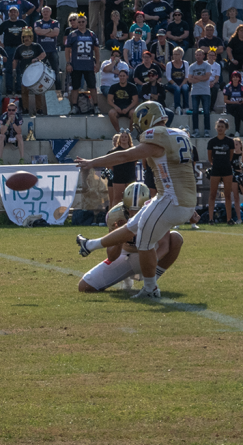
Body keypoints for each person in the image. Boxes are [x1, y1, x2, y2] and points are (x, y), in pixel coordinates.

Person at [75, 101, 197, 298]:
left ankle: (150, 289)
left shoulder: (157, 136)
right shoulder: (179, 134)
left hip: (171, 199)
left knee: (144, 243)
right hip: (180, 199)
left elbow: (125, 156)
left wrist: (92, 162)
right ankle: (90, 245)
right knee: (132, 226)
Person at [78, 184, 183, 292]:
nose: (133, 214)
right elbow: (111, 256)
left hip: (151, 253)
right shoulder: (115, 215)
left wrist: (150, 263)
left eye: (139, 210)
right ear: (124, 206)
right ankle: (126, 277)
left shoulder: (157, 211)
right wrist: (119, 238)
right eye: (130, 209)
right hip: (126, 256)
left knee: (176, 238)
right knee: (84, 286)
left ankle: (152, 282)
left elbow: (164, 246)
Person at [65, 14, 101, 114]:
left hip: (88, 65)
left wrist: (97, 63)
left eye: (83, 22)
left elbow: (97, 50)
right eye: (79, 22)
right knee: (75, 87)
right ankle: (74, 106)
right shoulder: (72, 35)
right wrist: (68, 63)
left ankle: (96, 106)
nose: (81, 23)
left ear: (86, 22)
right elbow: (67, 50)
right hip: (76, 65)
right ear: (76, 23)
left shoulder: (92, 34)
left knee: (92, 86)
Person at [208, 118, 238, 224]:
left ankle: (229, 219)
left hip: (227, 170)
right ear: (216, 128)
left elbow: (230, 156)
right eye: (219, 127)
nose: (220, 128)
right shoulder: (212, 142)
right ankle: (211, 219)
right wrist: (216, 164)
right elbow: (210, 158)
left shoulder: (229, 141)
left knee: (228, 195)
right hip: (215, 170)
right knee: (212, 194)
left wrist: (225, 163)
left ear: (226, 128)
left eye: (222, 127)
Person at [13, 27, 47, 115]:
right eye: (24, 37)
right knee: (24, 92)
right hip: (24, 73)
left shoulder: (36, 46)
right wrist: (14, 69)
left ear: (31, 37)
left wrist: (37, 58)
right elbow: (15, 60)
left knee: (37, 91)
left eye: (28, 36)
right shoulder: (19, 48)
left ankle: (39, 109)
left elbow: (43, 54)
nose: (26, 38)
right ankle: (25, 109)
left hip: (36, 73)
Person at [0, 6, 29, 94]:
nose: (13, 13)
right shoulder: (5, 23)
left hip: (20, 48)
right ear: (9, 14)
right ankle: (9, 89)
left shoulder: (22, 23)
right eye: (11, 12)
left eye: (15, 12)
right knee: (9, 69)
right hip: (8, 48)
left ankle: (19, 88)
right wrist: (0, 43)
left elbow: (28, 34)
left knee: (20, 69)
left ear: (18, 14)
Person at [105, 130, 137, 209]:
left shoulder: (133, 150)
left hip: (130, 177)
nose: (124, 138)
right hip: (118, 177)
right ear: (120, 138)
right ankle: (114, 215)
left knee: (131, 199)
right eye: (122, 137)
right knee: (117, 199)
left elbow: (135, 163)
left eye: (126, 137)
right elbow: (109, 165)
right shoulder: (114, 151)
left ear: (129, 138)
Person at [188, 47, 213, 136]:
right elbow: (190, 79)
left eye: (199, 55)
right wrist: (201, 78)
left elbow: (207, 77)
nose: (198, 56)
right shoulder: (192, 66)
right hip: (195, 92)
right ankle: (196, 130)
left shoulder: (207, 66)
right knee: (195, 112)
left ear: (203, 56)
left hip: (205, 91)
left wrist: (196, 77)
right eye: (196, 55)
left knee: (206, 111)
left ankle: (207, 130)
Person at [165, 46, 190, 114]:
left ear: (181, 55)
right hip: (172, 83)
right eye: (174, 54)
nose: (175, 56)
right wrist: (176, 84)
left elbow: (187, 77)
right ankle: (177, 107)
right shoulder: (169, 64)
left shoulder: (185, 63)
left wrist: (181, 84)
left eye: (177, 54)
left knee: (185, 88)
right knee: (177, 88)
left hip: (183, 82)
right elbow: (168, 77)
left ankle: (186, 107)